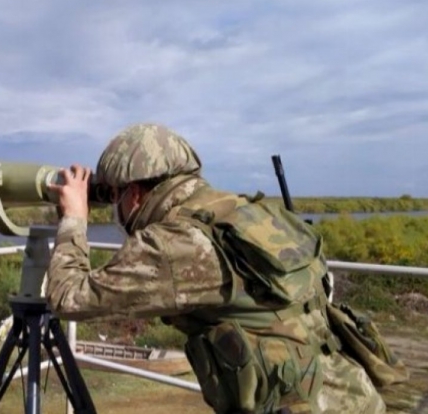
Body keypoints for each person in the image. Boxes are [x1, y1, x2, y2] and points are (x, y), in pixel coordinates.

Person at [45, 123, 385, 413]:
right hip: (349, 391)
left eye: (114, 194)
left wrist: (74, 218)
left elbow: (69, 298)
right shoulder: (242, 211)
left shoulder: (175, 242)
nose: (113, 204)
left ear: (134, 194)